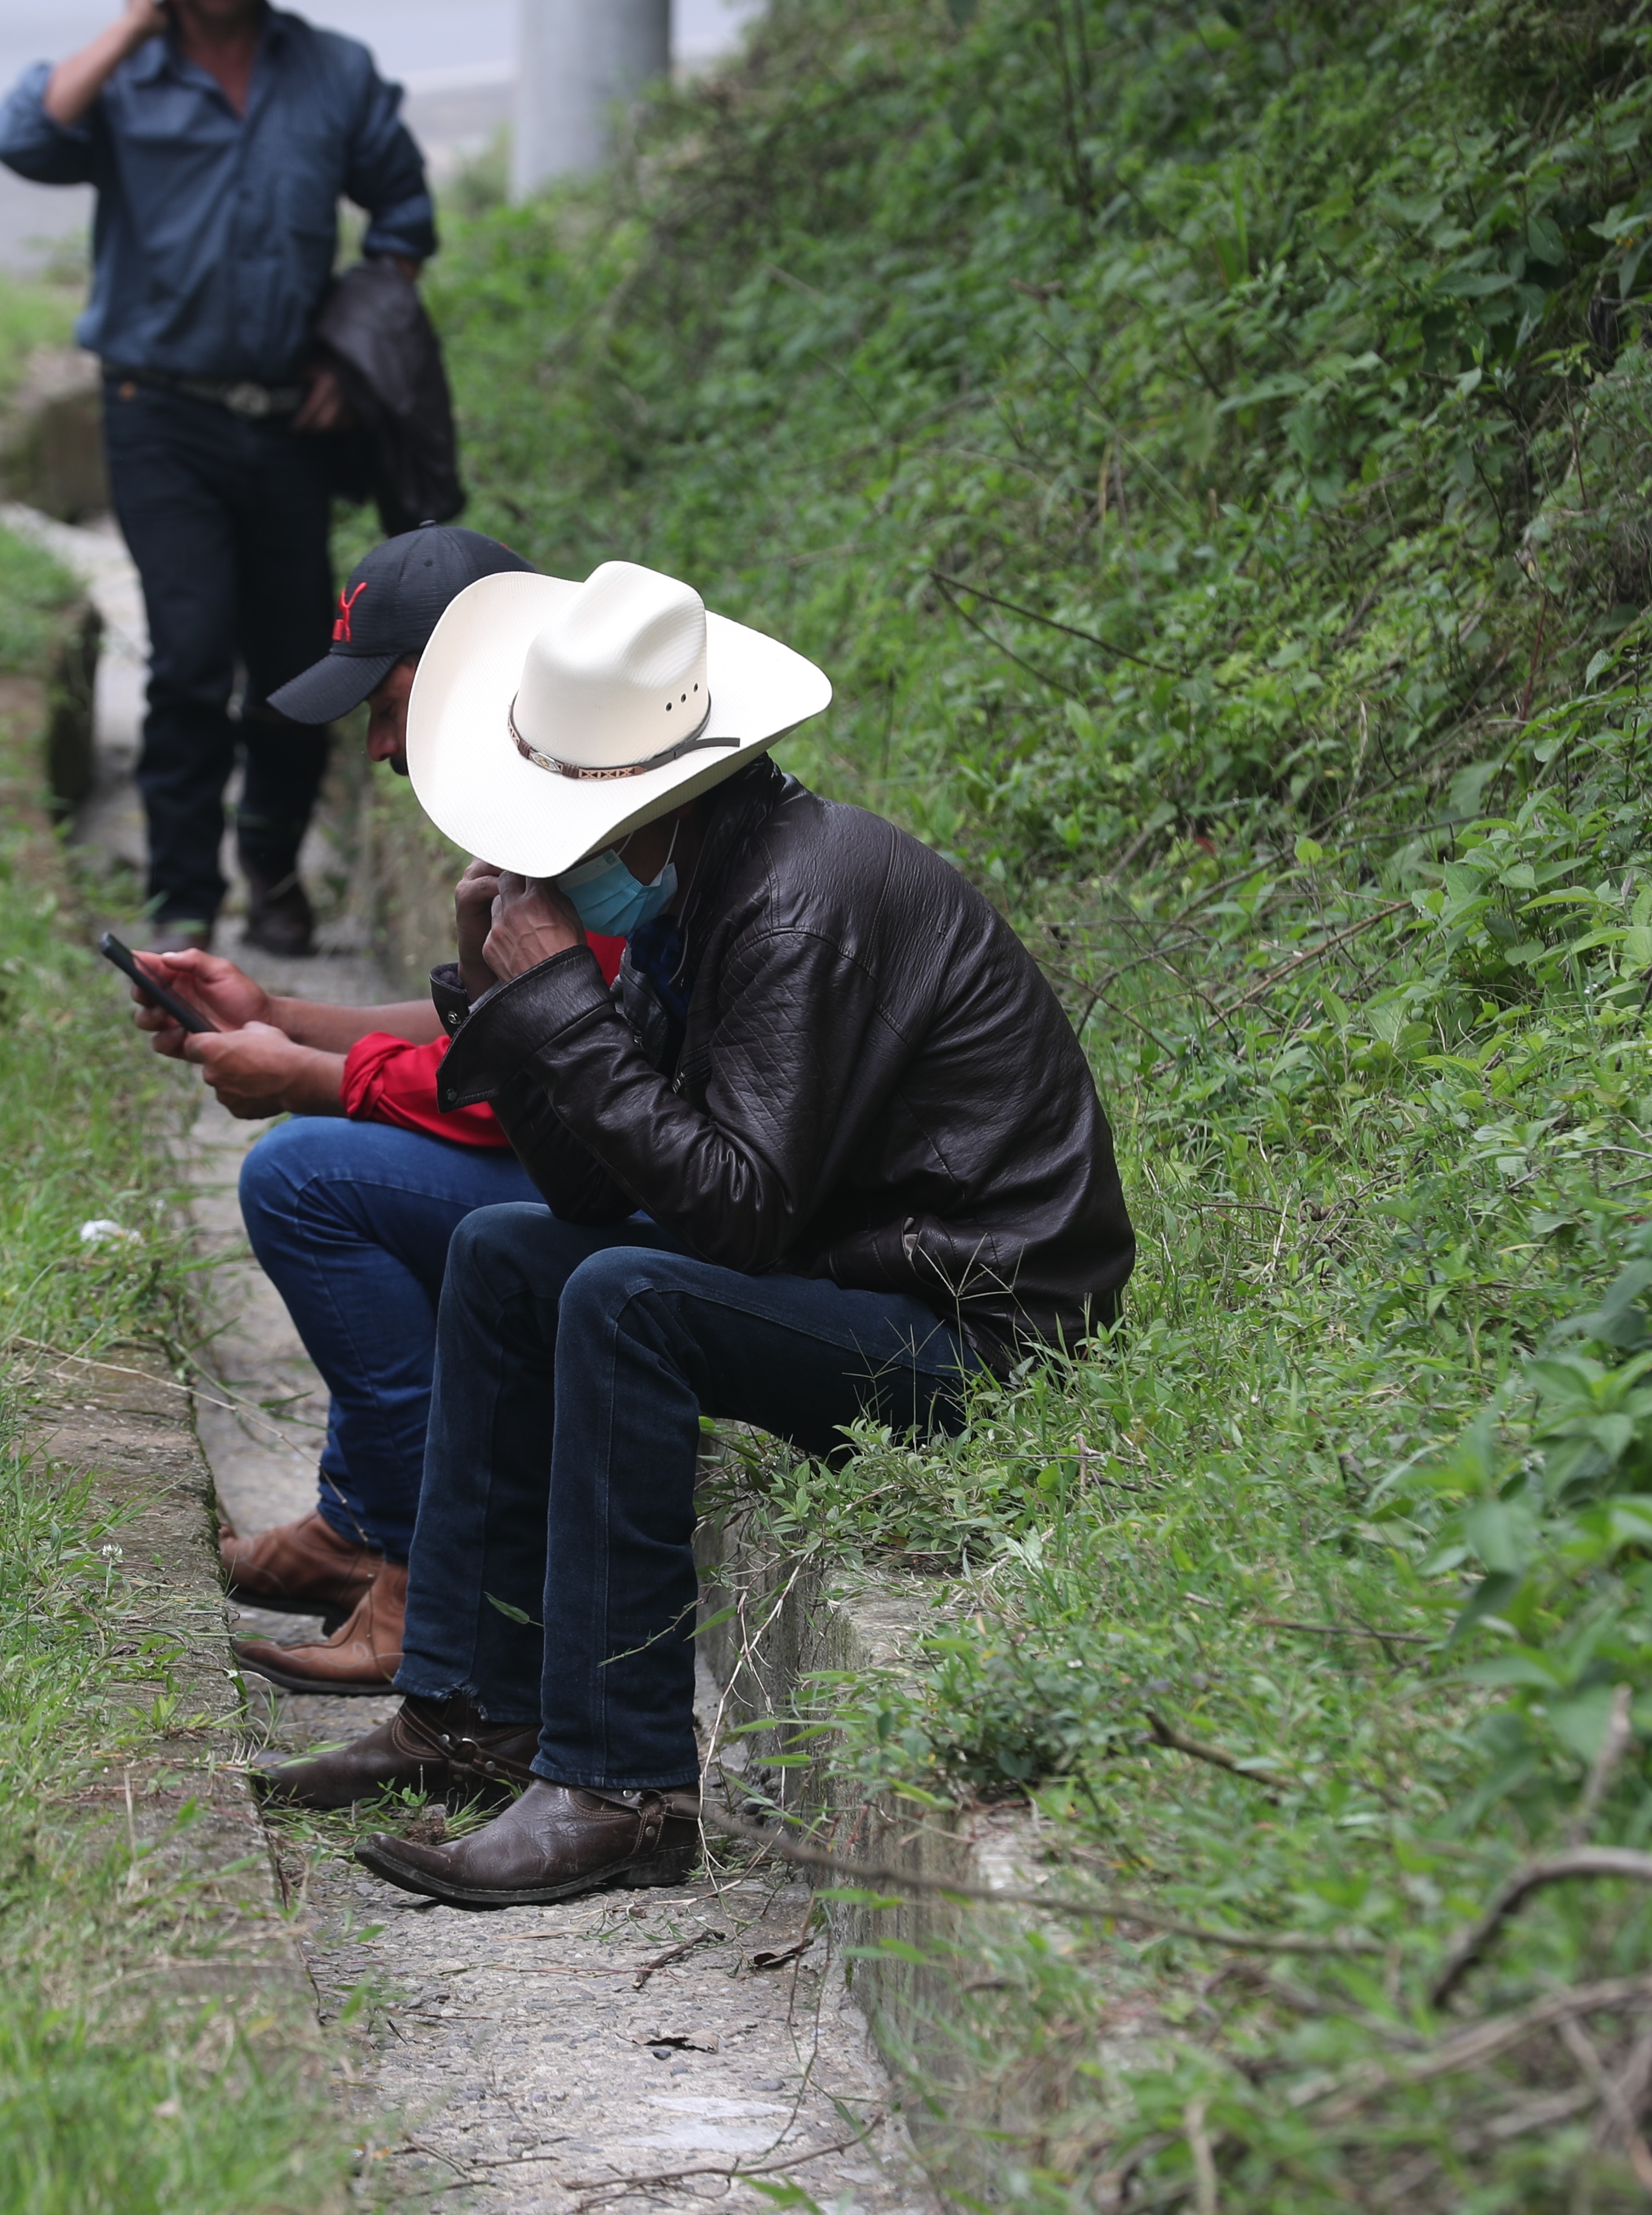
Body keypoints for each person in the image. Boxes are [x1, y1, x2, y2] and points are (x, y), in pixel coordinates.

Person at [256, 561, 1137, 1903]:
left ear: (648, 806)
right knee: (506, 1258)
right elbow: (590, 1192)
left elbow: (729, 1213)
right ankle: (471, 1712)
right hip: (854, 1277)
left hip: (982, 1335)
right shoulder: (700, 887)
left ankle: (625, 1785)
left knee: (630, 1301)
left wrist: (564, 1003)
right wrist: (495, 997)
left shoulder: (795, 903)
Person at [132, 527, 639, 1698]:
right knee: (334, 1162)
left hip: (657, 1196)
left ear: (479, 678)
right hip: (623, 1163)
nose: (377, 749)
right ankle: (360, 1525)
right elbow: (504, 1034)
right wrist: (280, 1015)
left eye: (388, 706)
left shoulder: (597, 813)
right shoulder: (546, 794)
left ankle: (424, 1570)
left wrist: (312, 1078)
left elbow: (545, 1090)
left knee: (306, 1174)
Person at [0, 0, 433, 957]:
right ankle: (182, 894)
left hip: (291, 423)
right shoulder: (127, 76)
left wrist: (353, 353)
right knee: (189, 657)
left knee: (294, 665)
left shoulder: (333, 72)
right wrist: (131, 27)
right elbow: (22, 137)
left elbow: (404, 211)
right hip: (159, 416)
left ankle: (272, 870)